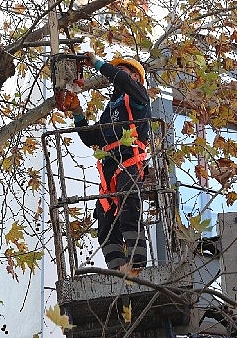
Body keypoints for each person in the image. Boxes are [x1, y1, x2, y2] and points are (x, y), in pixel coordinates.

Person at [61, 52, 151, 270]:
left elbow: (121, 79)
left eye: (124, 71)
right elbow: (92, 138)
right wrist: (77, 112)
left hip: (129, 161)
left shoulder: (138, 98)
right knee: (105, 219)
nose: (118, 74)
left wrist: (97, 63)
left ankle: (137, 265)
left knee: (130, 208)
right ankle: (117, 267)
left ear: (135, 78)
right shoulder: (109, 112)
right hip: (110, 169)